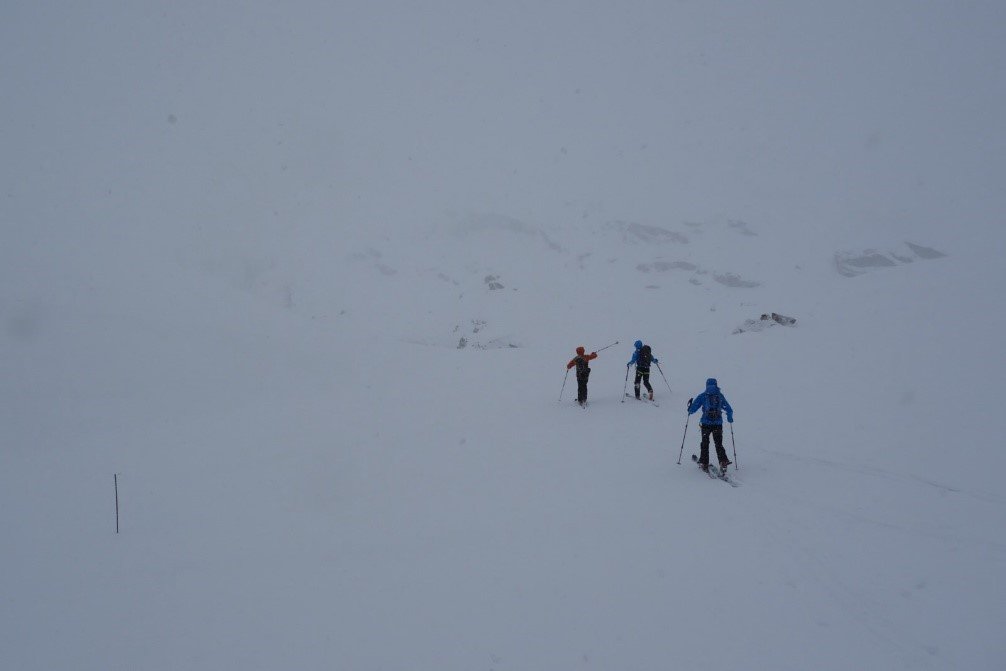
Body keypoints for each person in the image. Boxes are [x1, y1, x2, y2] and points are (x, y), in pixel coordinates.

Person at [687, 378, 734, 471]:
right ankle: (723, 461)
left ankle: (704, 462)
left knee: (705, 443)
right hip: (718, 424)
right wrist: (729, 418)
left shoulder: (703, 396)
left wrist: (689, 408)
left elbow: (692, 410)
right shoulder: (720, 396)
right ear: (716, 385)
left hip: (706, 423)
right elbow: (729, 409)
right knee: (718, 443)